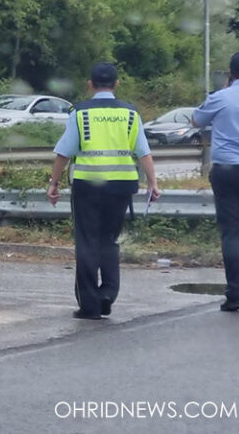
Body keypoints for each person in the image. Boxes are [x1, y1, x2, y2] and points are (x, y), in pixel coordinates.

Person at [46, 62, 160, 320]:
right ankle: (107, 294)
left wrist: (53, 183)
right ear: (116, 84)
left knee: (87, 243)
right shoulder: (131, 114)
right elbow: (144, 152)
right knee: (109, 240)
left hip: (87, 185)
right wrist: (153, 183)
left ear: (90, 84)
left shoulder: (80, 113)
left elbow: (64, 152)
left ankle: (89, 305)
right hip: (121, 185)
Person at [192, 52, 239, 312]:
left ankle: (236, 294)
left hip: (227, 171)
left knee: (233, 232)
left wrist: (224, 89)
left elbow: (196, 120)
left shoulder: (220, 97)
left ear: (230, 73)